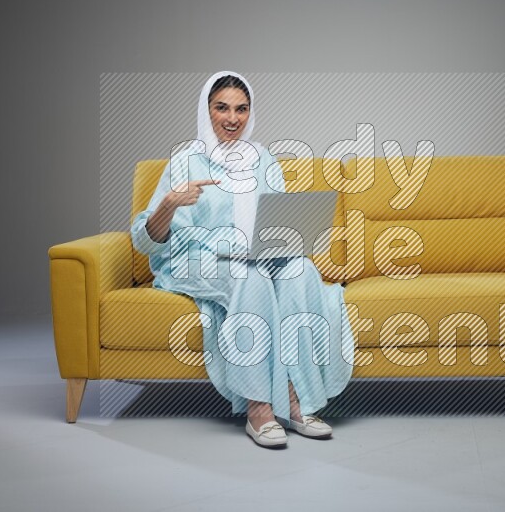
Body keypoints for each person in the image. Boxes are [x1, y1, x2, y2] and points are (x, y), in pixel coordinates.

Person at [130, 71, 355, 448]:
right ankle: (260, 407)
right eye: (222, 108)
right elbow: (143, 242)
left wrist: (286, 242)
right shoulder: (185, 161)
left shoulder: (263, 159)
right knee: (248, 280)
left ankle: (299, 402)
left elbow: (277, 221)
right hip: (194, 259)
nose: (233, 118)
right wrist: (168, 204)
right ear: (207, 111)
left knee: (301, 271)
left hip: (252, 256)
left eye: (241, 109)